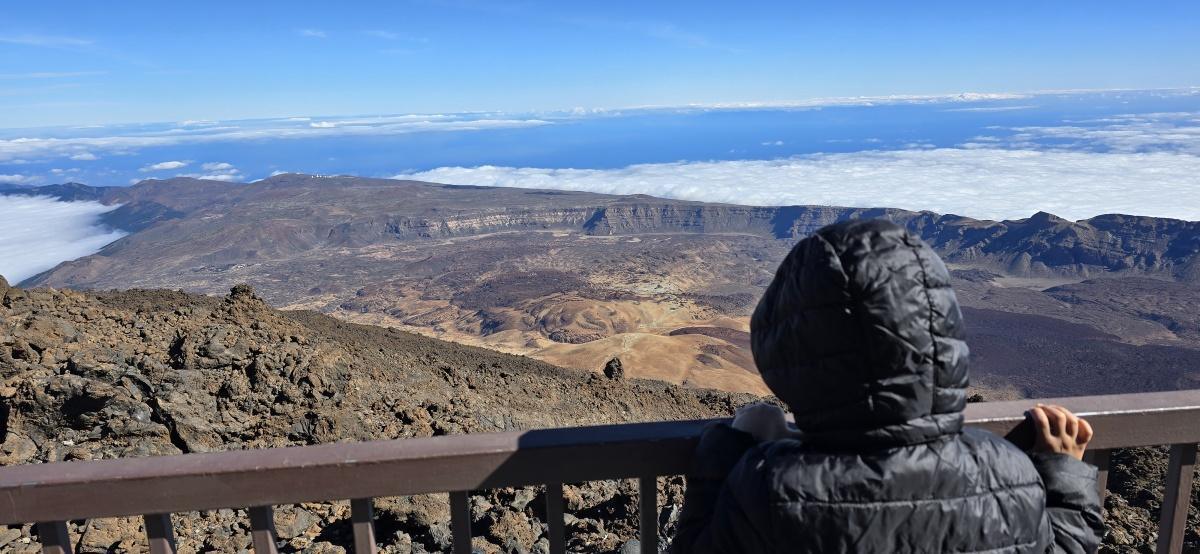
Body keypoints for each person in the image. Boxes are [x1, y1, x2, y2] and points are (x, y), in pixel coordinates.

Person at [671, 219, 1105, 553]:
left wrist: (729, 451)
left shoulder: (772, 490)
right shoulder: (1006, 473)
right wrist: (1063, 474)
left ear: (788, 351)